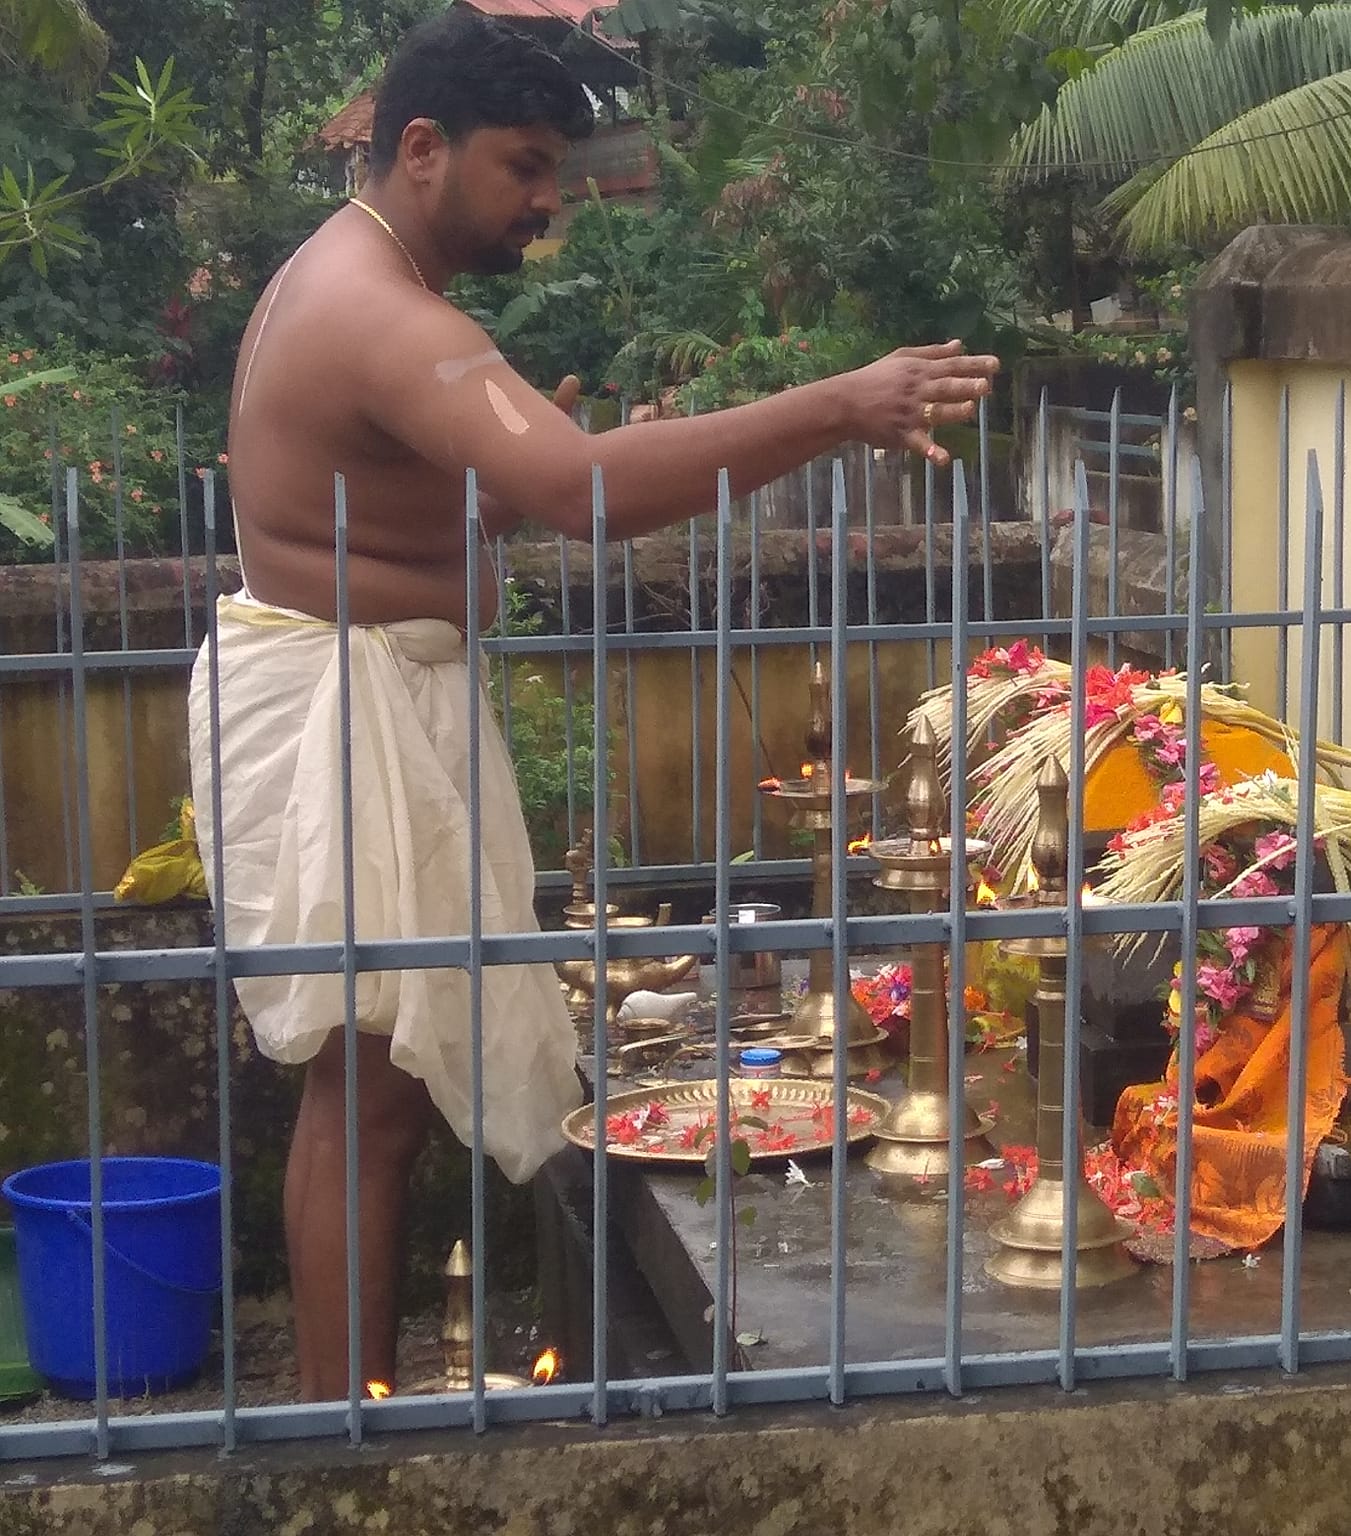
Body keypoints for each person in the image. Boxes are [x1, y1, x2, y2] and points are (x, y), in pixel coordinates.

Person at [188, 6, 999, 1403]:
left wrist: (490, 490)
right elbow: (590, 493)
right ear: (423, 149)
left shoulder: (366, 287)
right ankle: (338, 1424)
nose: (549, 200)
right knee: (369, 1084)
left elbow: (453, 499)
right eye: (525, 166)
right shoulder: (378, 306)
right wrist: (838, 405)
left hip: (359, 688)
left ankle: (343, 1406)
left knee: (368, 1084)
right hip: (342, 705)